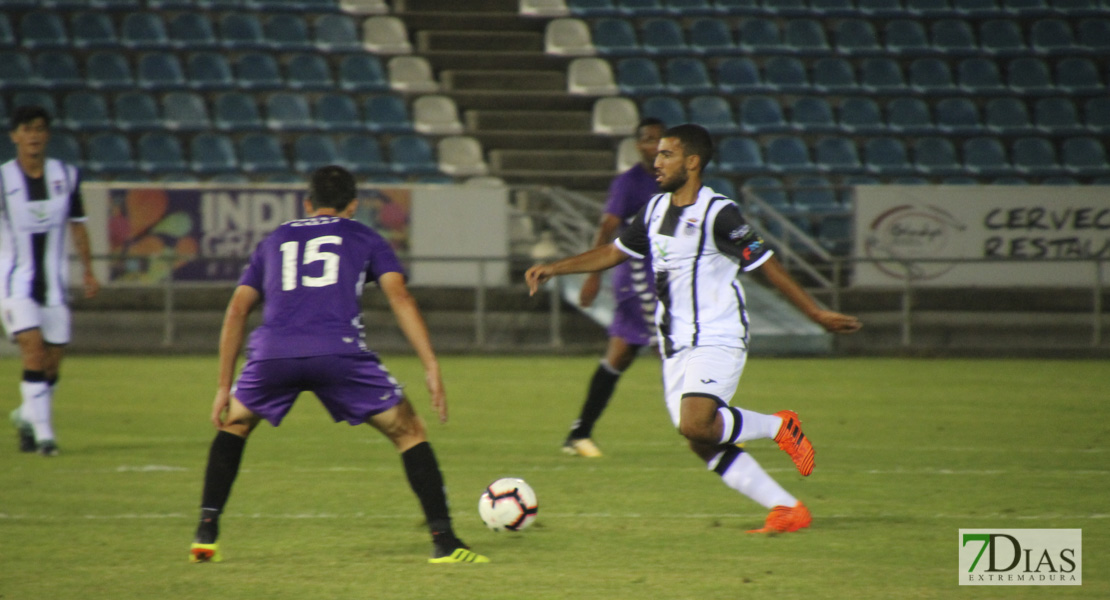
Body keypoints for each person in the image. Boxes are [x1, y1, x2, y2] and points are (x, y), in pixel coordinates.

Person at [527, 124, 861, 534]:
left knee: (696, 423)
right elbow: (614, 252)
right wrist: (555, 268)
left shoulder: (719, 212)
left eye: (666, 154)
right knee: (700, 439)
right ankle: (787, 508)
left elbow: (765, 262)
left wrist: (814, 312)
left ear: (692, 162)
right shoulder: (653, 210)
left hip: (718, 334)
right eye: (657, 153)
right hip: (675, 345)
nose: (656, 161)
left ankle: (779, 426)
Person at [188, 166, 488, 564]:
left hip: (273, 354)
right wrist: (430, 365)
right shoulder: (365, 236)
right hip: (338, 353)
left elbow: (238, 309)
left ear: (308, 203)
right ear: (353, 206)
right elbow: (401, 298)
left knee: (235, 424)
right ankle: (445, 540)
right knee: (410, 431)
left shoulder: (274, 239)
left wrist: (223, 386)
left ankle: (206, 532)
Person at [3, 105, 100, 457]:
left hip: (55, 287)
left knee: (51, 364)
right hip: (15, 286)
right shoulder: (2, 179)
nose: (34, 135)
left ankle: (26, 417)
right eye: (27, 129)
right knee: (32, 349)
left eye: (40, 128)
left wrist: (88, 270)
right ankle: (45, 438)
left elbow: (78, 224)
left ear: (47, 134)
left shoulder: (66, 176)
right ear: (14, 136)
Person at [563, 118, 663, 458]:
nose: (655, 145)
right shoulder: (630, 183)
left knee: (620, 356)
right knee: (674, 349)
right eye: (648, 140)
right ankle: (713, 426)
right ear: (638, 145)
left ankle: (579, 433)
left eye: (660, 139)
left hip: (664, 277)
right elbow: (607, 227)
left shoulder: (673, 182)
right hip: (638, 278)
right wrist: (593, 275)